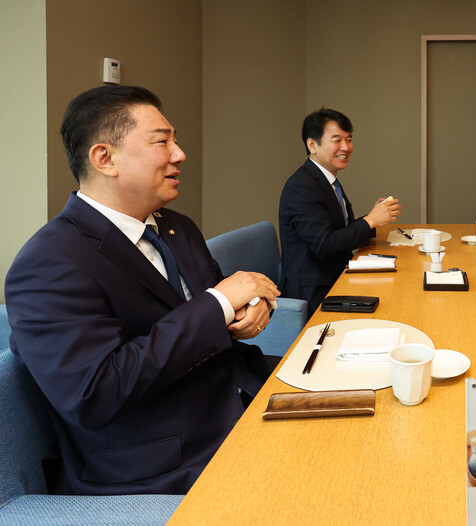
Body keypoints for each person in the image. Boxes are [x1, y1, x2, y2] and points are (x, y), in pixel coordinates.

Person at [5, 85, 281, 495]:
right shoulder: (50, 262)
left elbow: (210, 313)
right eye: (162, 141)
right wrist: (220, 304)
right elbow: (95, 393)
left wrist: (246, 313)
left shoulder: (176, 226)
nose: (179, 153)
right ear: (105, 158)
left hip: (237, 396)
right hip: (160, 460)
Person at [278, 108, 401, 314]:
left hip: (335, 274)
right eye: (337, 140)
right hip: (314, 291)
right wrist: (370, 221)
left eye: (349, 139)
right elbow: (325, 246)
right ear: (312, 145)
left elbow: (339, 233)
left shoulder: (326, 179)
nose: (346, 147)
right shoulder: (301, 186)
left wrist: (374, 219)